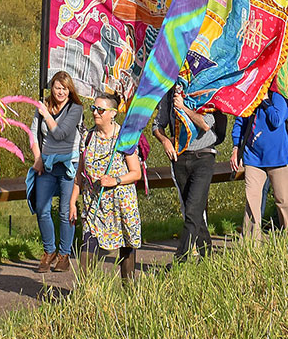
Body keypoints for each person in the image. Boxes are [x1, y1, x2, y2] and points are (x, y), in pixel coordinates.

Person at [67, 93, 145, 281]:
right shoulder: (87, 137)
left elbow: (136, 173)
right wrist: (72, 202)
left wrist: (115, 180)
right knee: (88, 243)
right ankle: (86, 291)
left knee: (126, 245)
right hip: (94, 203)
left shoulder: (124, 137)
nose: (95, 113)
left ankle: (129, 289)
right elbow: (79, 174)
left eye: (100, 110)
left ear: (113, 113)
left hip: (121, 205)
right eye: (94, 109)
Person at [153, 83, 224, 262]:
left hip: (203, 156)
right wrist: (164, 141)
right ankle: (207, 255)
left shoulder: (205, 89)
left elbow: (205, 124)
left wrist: (183, 107)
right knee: (193, 210)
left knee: (193, 209)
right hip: (180, 157)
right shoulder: (169, 93)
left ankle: (180, 258)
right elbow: (157, 125)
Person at [30, 72, 83, 273]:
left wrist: (46, 115)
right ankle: (49, 250)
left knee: (65, 210)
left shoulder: (75, 109)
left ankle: (64, 254)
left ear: (70, 90)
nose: (60, 92)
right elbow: (33, 134)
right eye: (57, 87)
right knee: (41, 208)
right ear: (51, 88)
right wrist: (38, 159)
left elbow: (60, 134)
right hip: (47, 164)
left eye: (64, 88)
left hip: (69, 164)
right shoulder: (43, 106)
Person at [231, 91, 288, 243]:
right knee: (252, 201)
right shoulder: (250, 92)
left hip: (279, 156)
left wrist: (265, 101)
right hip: (253, 156)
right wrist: (236, 147)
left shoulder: (281, 94)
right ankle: (250, 244)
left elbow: (276, 120)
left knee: (284, 200)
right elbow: (240, 121)